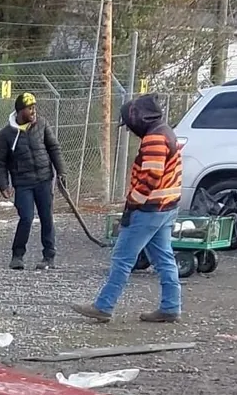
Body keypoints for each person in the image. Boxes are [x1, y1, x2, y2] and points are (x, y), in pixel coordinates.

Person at [76, 94, 184, 325]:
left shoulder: (154, 138)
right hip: (166, 207)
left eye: (130, 123)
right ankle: (171, 306)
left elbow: (150, 177)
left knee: (123, 258)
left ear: (139, 117)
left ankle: (104, 306)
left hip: (149, 209)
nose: (130, 129)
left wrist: (133, 204)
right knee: (164, 258)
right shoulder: (165, 131)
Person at [0, 91, 65, 270]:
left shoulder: (42, 124)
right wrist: (3, 185)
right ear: (20, 111)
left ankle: (49, 256)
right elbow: (1, 163)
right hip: (23, 183)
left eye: (34, 107)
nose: (34, 111)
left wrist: (61, 172)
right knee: (26, 218)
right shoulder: (5, 134)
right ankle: (17, 256)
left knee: (46, 217)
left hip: (44, 179)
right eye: (30, 108)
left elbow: (54, 148)